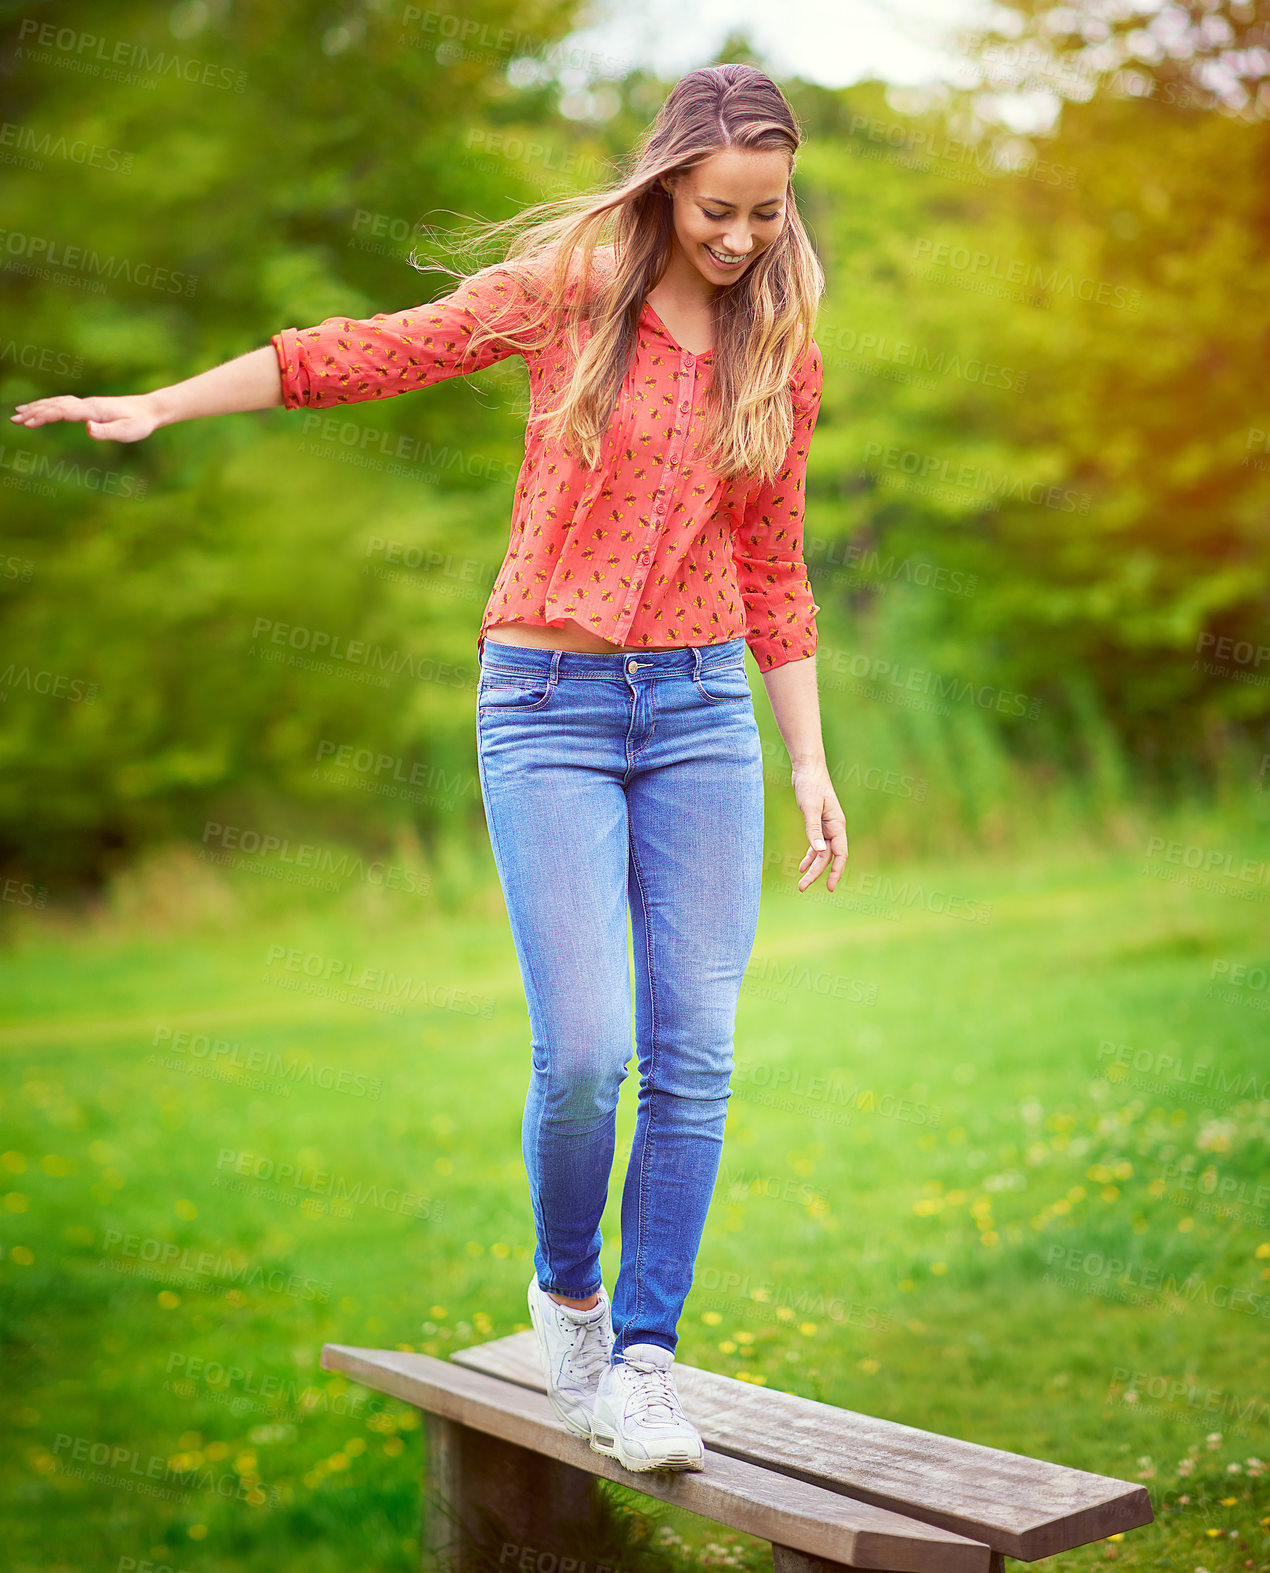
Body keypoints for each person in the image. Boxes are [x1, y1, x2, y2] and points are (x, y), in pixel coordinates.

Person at [10, 61, 848, 1476]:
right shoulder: (570, 292)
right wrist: (163, 400)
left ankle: (644, 1354)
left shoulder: (781, 346)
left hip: (703, 713)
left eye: (766, 217)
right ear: (664, 184)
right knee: (587, 1053)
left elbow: (773, 563)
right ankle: (566, 1294)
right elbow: (367, 350)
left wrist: (809, 757)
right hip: (548, 706)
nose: (740, 240)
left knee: (692, 1055)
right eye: (718, 211)